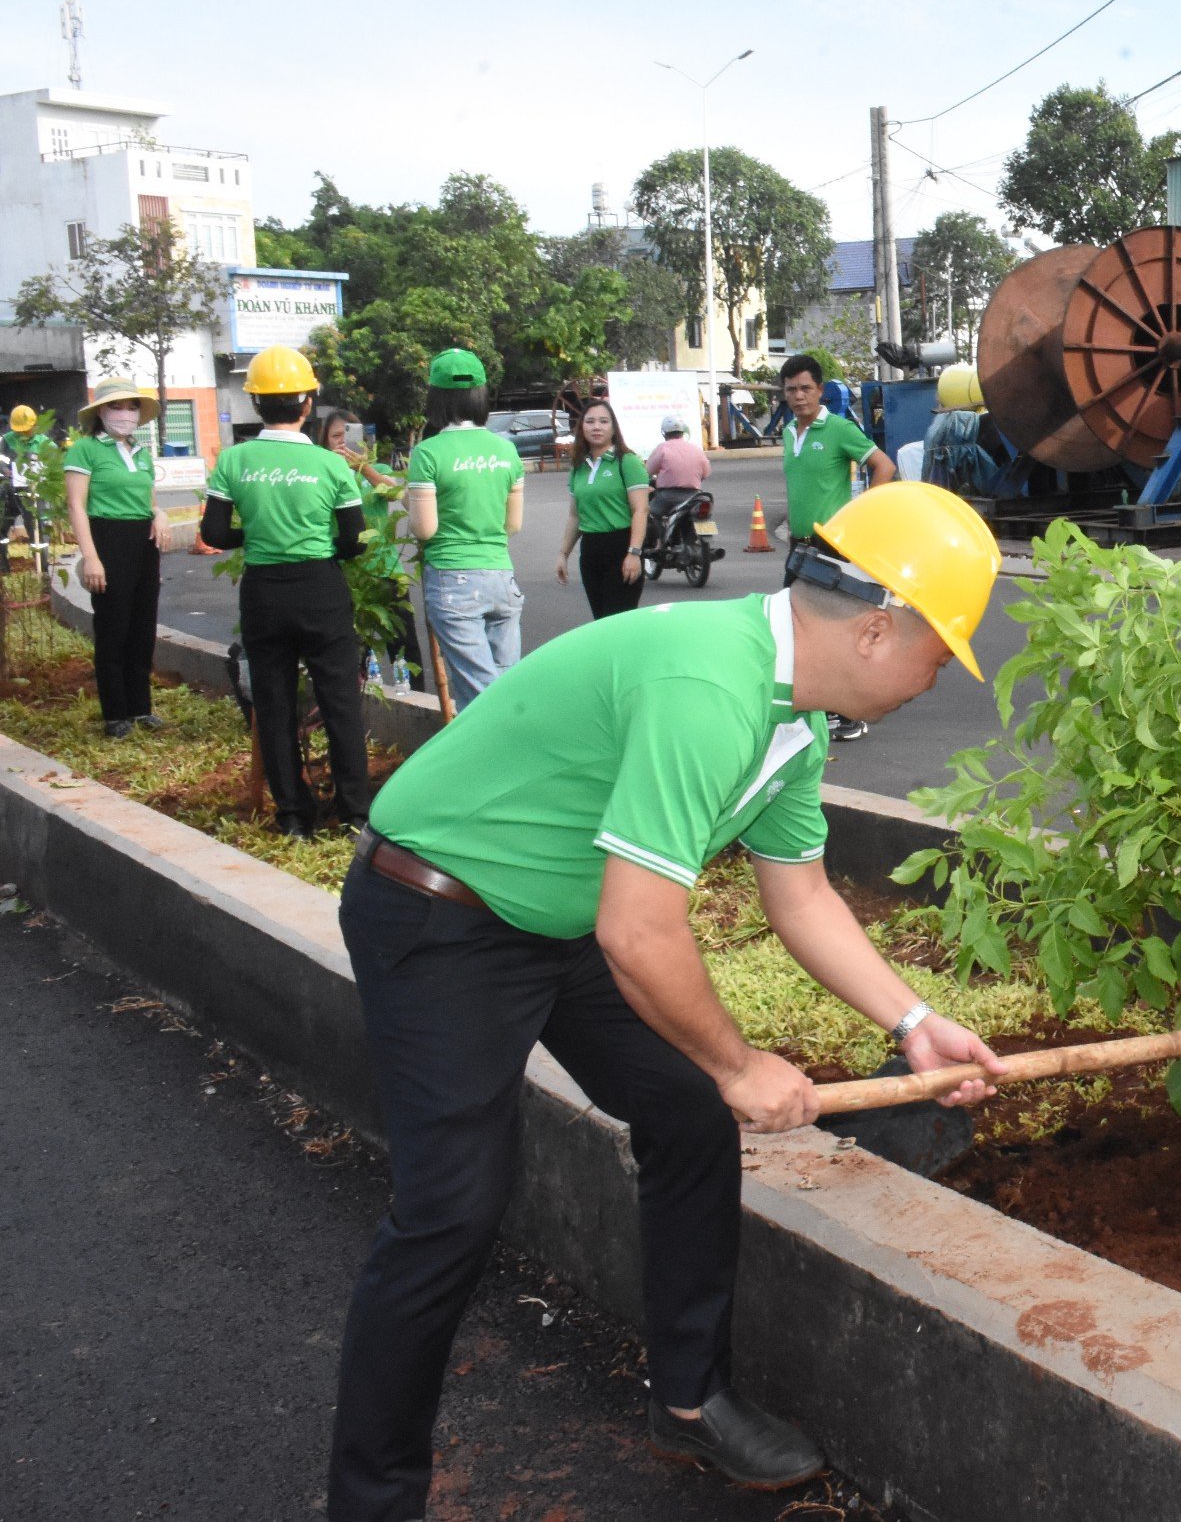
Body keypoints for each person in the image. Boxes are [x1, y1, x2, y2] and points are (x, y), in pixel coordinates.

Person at [329, 481, 1010, 1521]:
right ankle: (372, 1502)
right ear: (878, 629)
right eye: (940, 653)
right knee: (452, 1208)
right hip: (442, 910)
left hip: (561, 919)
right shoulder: (712, 685)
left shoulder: (795, 719)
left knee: (686, 1119)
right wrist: (741, 1066)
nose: (933, 680)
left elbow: (802, 895)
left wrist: (913, 1025)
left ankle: (688, 1404)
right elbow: (640, 933)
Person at [197, 348, 372, 838]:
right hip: (320, 587)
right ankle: (355, 813)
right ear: (308, 401)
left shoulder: (234, 459)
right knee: (339, 700)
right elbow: (353, 538)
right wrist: (321, 548)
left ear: (255, 402)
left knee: (272, 704)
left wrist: (256, 535)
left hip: (264, 592)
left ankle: (294, 816)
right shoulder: (331, 465)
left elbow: (213, 533)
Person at [403, 349, 525, 710]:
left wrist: (411, 503)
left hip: (454, 581)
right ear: (480, 394)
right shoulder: (506, 451)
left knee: (480, 697)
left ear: (435, 397)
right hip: (501, 577)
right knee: (506, 683)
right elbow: (513, 525)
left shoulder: (428, 453)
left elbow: (425, 530)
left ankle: (502, 757)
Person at [62, 380, 172, 737]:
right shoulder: (85, 450)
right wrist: (90, 557)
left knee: (143, 626)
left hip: (143, 543)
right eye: (117, 407)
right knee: (113, 627)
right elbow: (77, 506)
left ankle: (141, 708)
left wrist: (160, 514)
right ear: (100, 413)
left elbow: (149, 500)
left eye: (131, 408)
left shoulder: (140, 452)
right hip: (108, 540)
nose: (125, 414)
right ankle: (116, 713)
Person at [312, 406, 421, 682]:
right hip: (345, 570)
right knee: (352, 646)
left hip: (385, 570)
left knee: (403, 642)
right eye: (335, 436)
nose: (341, 441)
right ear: (324, 441)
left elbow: (395, 493)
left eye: (347, 435)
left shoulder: (378, 469)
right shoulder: (318, 473)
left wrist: (363, 467)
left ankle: (415, 693)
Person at [777, 354, 894, 547]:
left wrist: (862, 515)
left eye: (806, 388)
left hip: (832, 545)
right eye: (792, 389)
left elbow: (885, 466)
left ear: (820, 390)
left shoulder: (840, 429)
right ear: (785, 393)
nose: (799, 396)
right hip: (797, 544)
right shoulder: (788, 431)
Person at [558, 399, 651, 619]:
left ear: (613, 428)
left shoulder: (627, 462)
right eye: (590, 421)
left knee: (618, 623)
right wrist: (563, 554)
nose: (596, 427)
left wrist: (634, 553)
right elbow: (575, 515)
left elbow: (641, 511)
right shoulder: (578, 466)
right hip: (591, 551)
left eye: (603, 421)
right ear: (582, 427)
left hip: (622, 548)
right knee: (600, 622)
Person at [4, 403, 47, 540]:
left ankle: (42, 559)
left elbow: (55, 465)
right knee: (3, 523)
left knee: (35, 524)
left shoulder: (43, 442)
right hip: (10, 491)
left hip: (34, 492)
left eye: (26, 430)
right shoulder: (5, 441)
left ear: (34, 425)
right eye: (19, 430)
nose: (22, 433)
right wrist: (4, 469)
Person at [644, 412, 712, 494]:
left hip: (667, 496)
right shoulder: (696, 449)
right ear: (683, 432)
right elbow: (706, 473)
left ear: (664, 433)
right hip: (694, 495)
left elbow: (648, 471)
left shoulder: (662, 448)